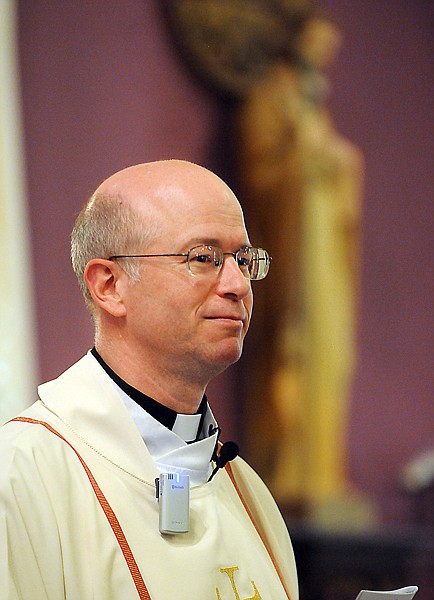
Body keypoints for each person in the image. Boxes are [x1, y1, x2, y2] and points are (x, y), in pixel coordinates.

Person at [0, 160, 298, 599]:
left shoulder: (247, 491)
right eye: (203, 258)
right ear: (110, 285)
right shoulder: (24, 475)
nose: (237, 284)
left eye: (243, 259)